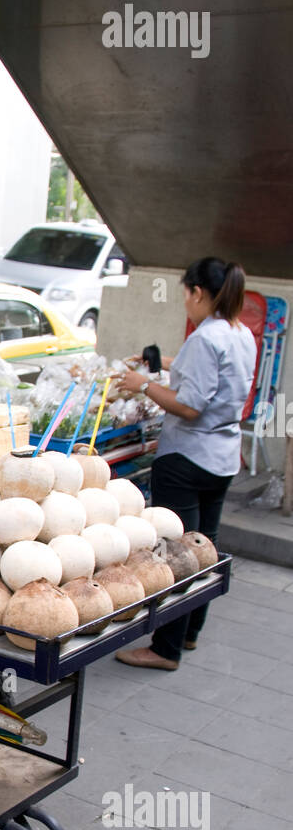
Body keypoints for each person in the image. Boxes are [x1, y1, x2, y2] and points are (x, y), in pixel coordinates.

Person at [115, 257, 255, 671]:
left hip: (188, 458)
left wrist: (145, 385)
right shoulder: (240, 333)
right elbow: (208, 375)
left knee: (177, 552)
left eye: (185, 295)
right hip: (223, 457)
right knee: (204, 546)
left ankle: (165, 648)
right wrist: (161, 364)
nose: (184, 304)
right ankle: (190, 632)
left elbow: (190, 406)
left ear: (197, 293)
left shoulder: (204, 338)